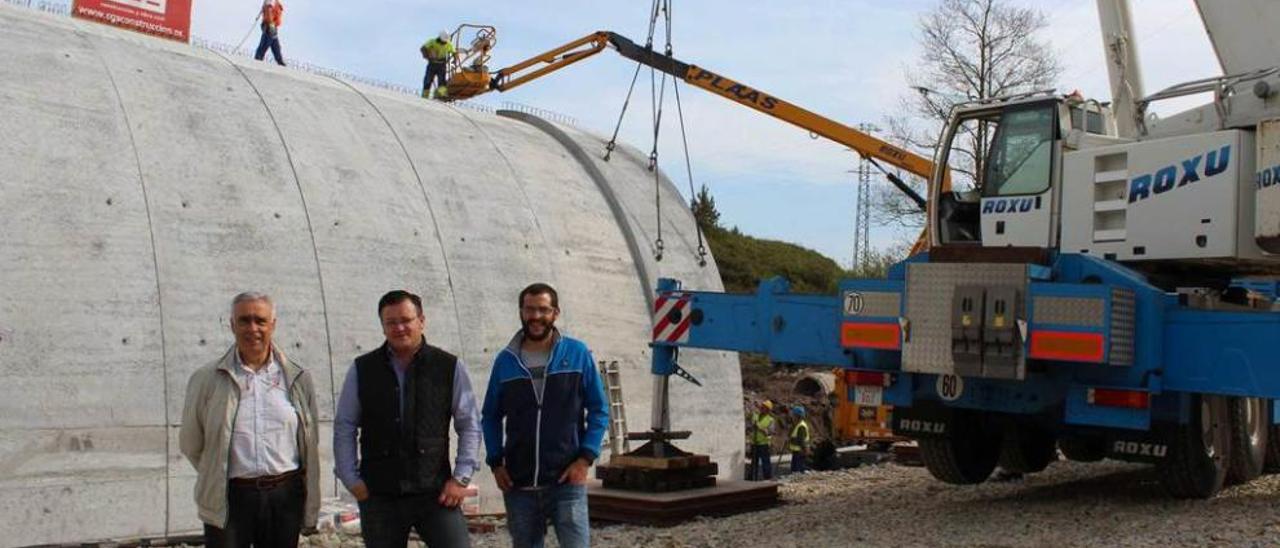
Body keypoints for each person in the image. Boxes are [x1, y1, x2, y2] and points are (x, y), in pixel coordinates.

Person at [333, 290, 480, 548]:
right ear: (382, 327)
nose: (399, 328)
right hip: (380, 494)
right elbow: (345, 425)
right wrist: (350, 478)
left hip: (435, 493)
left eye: (406, 320)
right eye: (391, 322)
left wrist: (460, 478)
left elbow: (469, 424)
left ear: (421, 321)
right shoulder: (362, 369)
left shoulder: (448, 366)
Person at [180, 292, 321, 548]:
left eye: (260, 321)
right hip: (230, 498)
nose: (252, 328)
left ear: (273, 325)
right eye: (244, 320)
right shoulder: (206, 379)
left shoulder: (298, 378)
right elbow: (191, 443)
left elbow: (309, 441)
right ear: (232, 325)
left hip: (284, 498)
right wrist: (217, 473)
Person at [481, 283, 609, 548]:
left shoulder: (577, 354)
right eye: (530, 309)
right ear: (521, 311)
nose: (536, 316)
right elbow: (490, 416)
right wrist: (496, 462)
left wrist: (585, 459)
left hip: (566, 480)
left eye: (543, 310)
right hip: (519, 484)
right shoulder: (506, 361)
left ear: (555, 313)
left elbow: (599, 409)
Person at [421, 30, 455, 99]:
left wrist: (453, 61)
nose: (444, 42)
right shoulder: (432, 42)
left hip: (442, 65)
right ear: (440, 38)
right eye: (443, 41)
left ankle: (441, 95)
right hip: (432, 64)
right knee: (428, 79)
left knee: (442, 80)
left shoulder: (449, 44)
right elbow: (423, 48)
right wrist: (427, 56)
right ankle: (425, 95)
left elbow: (454, 53)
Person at [749, 400, 776, 480]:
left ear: (768, 409)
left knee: (765, 463)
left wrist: (759, 427)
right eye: (762, 406)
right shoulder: (756, 416)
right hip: (755, 443)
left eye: (764, 407)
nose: (761, 408)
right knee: (754, 463)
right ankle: (752, 478)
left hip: (764, 444)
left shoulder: (770, 420)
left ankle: (767, 478)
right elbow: (751, 422)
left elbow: (769, 432)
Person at [254, 0, 286, 66]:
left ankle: (280, 62)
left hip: (272, 26)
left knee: (276, 47)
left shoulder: (275, 2)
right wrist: (271, 25)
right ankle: (257, 61)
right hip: (270, 26)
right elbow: (269, 11)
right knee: (264, 45)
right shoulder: (271, 1)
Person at [788, 405, 812, 474]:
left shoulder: (801, 426)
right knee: (795, 469)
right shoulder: (797, 424)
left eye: (793, 415)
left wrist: (805, 449)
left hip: (800, 451)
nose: (792, 416)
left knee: (797, 470)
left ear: (797, 416)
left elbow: (801, 440)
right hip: (797, 451)